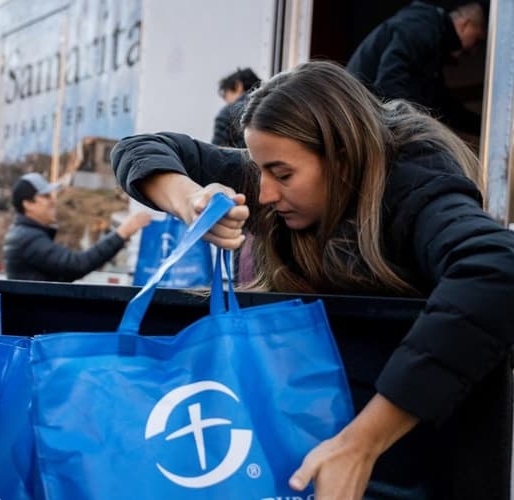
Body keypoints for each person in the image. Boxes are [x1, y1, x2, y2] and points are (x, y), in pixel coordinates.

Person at [111, 60, 514, 498]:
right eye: (261, 170)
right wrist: (191, 201)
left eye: (283, 175)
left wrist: (360, 444)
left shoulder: (417, 187)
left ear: (341, 158)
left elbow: (495, 267)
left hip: (422, 465)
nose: (264, 193)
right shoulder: (273, 170)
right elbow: (138, 148)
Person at [346, 1, 487, 136]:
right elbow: (390, 83)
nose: (474, 51)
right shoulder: (423, 27)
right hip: (357, 115)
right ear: (465, 24)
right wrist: (419, 130)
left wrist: (484, 126)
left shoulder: (430, 34)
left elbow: (442, 104)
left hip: (361, 114)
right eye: (477, 41)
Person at [3, 172, 151, 282]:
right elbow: (77, 265)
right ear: (28, 204)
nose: (53, 201)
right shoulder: (28, 238)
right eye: (46, 196)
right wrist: (122, 233)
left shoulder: (24, 235)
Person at [212, 68, 261, 147]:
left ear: (238, 85)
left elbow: (215, 154)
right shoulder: (275, 103)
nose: (226, 101)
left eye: (225, 95)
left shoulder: (227, 114)